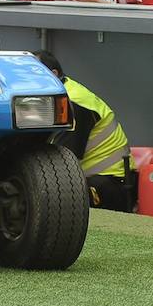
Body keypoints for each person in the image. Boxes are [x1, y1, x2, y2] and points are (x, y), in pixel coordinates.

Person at [33, 50, 132, 212]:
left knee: (46, 192)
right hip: (87, 179)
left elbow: (62, 161)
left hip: (110, 183)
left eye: (32, 74)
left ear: (53, 74)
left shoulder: (73, 102)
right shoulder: (52, 96)